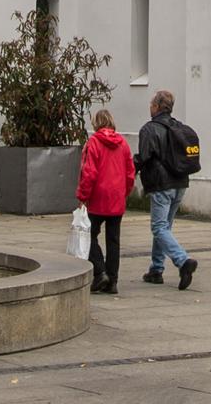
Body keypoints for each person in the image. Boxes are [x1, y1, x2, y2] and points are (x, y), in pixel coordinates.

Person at [135, 89, 197, 290]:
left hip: (162, 184)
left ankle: (183, 261)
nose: (150, 107)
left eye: (151, 104)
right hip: (180, 182)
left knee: (159, 227)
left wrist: (128, 167)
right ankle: (156, 269)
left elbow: (144, 157)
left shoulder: (149, 129)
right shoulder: (179, 127)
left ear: (157, 107)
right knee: (164, 228)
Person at [75, 107, 135, 295]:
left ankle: (100, 272)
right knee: (113, 240)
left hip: (98, 197)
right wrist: (124, 193)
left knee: (89, 235)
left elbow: (89, 172)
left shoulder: (93, 143)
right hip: (116, 198)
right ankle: (113, 280)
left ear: (96, 123)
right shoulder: (123, 144)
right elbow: (130, 173)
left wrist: (82, 196)